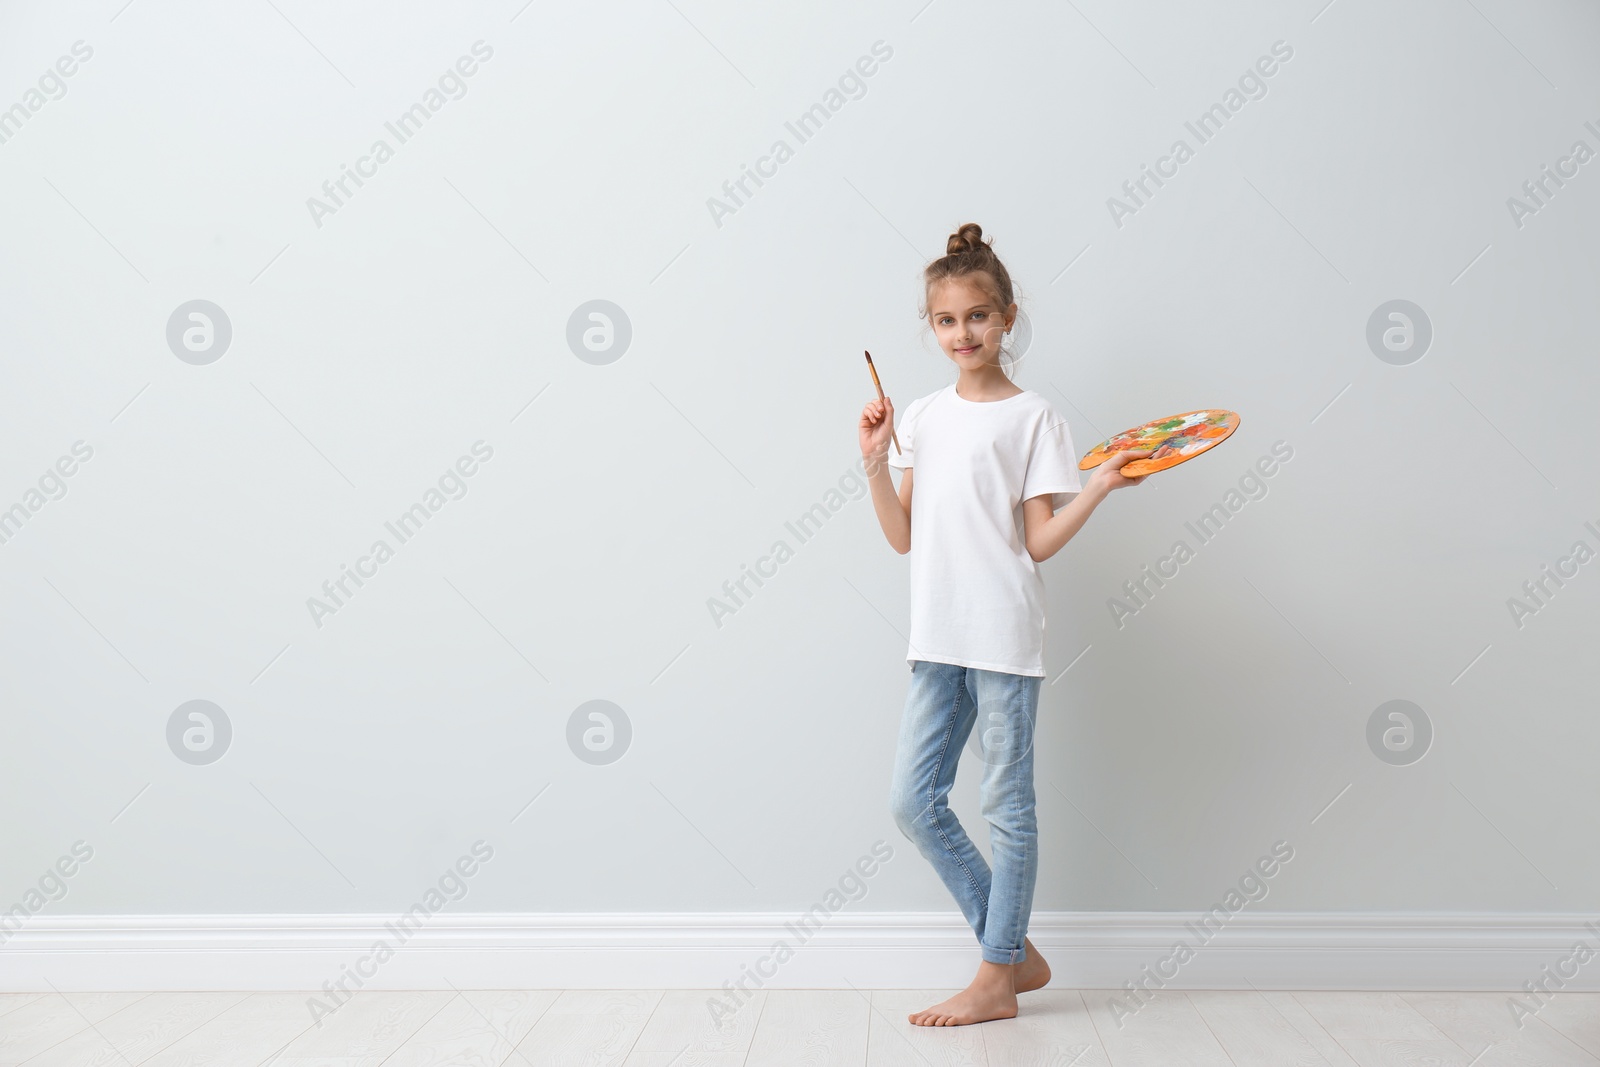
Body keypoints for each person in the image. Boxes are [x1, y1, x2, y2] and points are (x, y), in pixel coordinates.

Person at [859, 222, 1152, 1026]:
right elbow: (901, 534)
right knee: (913, 801)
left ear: (1008, 318)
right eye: (948, 321)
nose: (964, 333)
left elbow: (1037, 540)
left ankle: (996, 973)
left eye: (978, 317)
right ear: (933, 327)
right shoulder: (920, 415)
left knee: (1006, 805)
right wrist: (877, 461)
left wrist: (1093, 488)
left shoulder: (1034, 419)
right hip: (936, 637)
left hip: (1003, 634)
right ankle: (1015, 950)